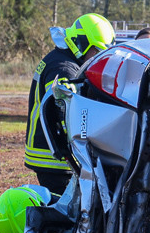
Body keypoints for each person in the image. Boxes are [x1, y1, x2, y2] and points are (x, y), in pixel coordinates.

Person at [24, 13, 115, 195]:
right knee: (64, 213)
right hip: (53, 158)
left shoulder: (60, 58)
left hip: (50, 153)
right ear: (81, 43)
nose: (98, 58)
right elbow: (65, 113)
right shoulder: (64, 69)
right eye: (96, 52)